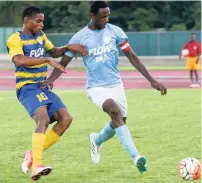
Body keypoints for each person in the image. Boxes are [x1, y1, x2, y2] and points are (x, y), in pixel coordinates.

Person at [42, 1, 167, 173]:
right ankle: (136, 157)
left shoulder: (115, 31)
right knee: (114, 111)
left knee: (120, 122)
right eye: (103, 16)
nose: (106, 19)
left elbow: (132, 56)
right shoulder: (79, 37)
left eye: (108, 15)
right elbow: (64, 61)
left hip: (116, 85)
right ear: (91, 16)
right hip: (96, 88)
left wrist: (151, 80)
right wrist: (50, 80)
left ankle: (97, 140)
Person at [6, 6, 87, 181]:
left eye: (43, 21)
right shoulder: (15, 39)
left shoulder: (41, 37)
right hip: (27, 87)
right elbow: (19, 59)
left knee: (66, 119)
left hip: (42, 86)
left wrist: (68, 47)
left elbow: (54, 52)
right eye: (38, 21)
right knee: (42, 119)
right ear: (27, 21)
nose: (42, 24)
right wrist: (46, 59)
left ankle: (32, 154)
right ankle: (37, 166)